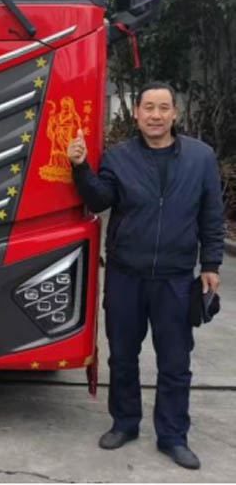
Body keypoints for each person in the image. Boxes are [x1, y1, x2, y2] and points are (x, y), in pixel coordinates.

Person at [67, 82, 224, 470]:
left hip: (176, 278)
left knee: (175, 361)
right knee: (123, 356)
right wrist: (81, 166)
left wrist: (211, 264)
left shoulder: (201, 157)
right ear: (136, 113)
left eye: (163, 108)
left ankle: (173, 436)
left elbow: (211, 214)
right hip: (126, 275)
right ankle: (124, 423)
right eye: (148, 108)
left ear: (175, 113)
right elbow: (100, 199)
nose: (156, 115)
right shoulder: (117, 157)